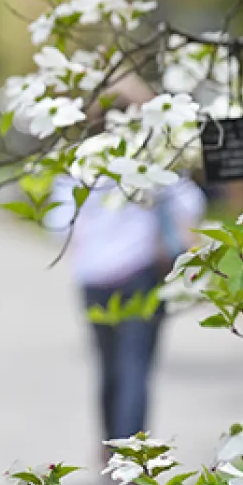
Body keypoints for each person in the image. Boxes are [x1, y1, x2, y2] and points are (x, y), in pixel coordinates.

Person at [44, 76, 205, 459]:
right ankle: (129, 457)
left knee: (109, 366)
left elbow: (57, 224)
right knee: (135, 367)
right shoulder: (152, 158)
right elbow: (190, 206)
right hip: (141, 274)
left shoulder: (81, 163)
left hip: (93, 277)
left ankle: (109, 448)